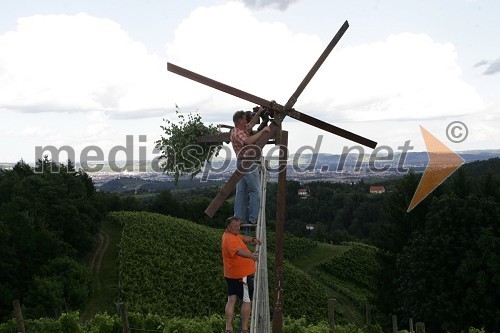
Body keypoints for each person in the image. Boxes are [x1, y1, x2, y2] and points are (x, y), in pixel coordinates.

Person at [230, 107, 271, 224]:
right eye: (244, 119)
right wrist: (263, 131)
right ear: (240, 121)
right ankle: (253, 219)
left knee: (241, 191)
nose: (247, 121)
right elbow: (248, 141)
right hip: (247, 162)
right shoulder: (238, 133)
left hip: (242, 162)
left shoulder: (240, 129)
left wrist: (258, 112)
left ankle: (239, 218)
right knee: (256, 191)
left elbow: (252, 123)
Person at [222, 216, 262, 333]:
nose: (238, 228)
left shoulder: (229, 235)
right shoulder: (230, 239)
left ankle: (228, 328)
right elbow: (238, 251)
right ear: (228, 227)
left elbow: (243, 238)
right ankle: (245, 329)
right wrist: (251, 256)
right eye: (235, 226)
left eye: (239, 226)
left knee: (231, 300)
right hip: (241, 275)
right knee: (246, 300)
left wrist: (253, 239)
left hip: (231, 274)